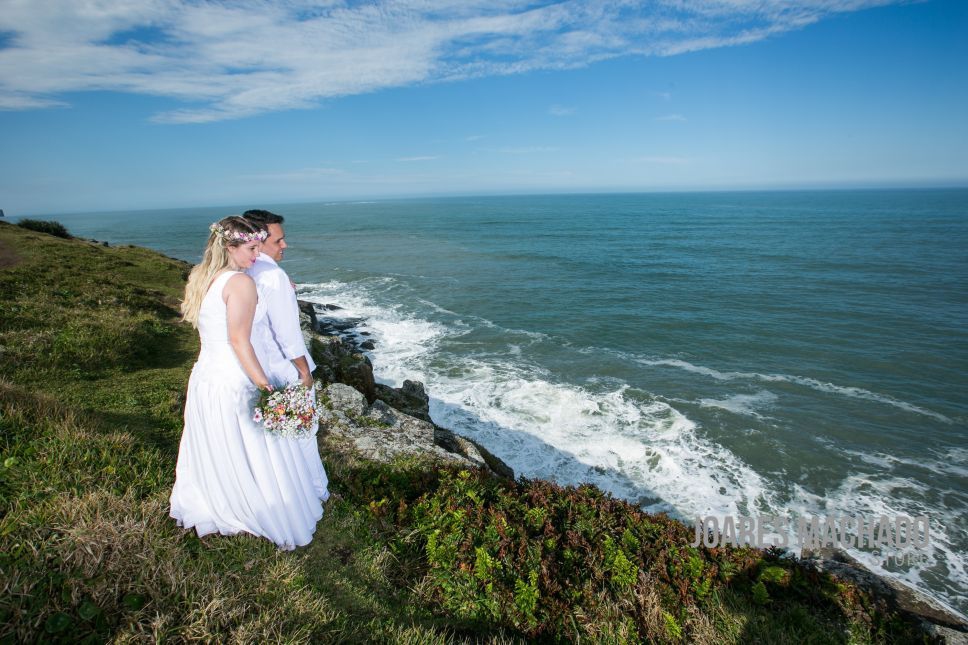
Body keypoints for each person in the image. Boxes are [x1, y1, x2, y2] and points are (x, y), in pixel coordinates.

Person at [170, 215, 326, 550]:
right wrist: (265, 385)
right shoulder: (241, 283)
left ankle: (221, 500)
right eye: (253, 248)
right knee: (255, 448)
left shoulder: (203, 277)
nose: (258, 256)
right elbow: (241, 341)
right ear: (230, 246)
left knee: (220, 444)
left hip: (206, 376)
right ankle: (259, 510)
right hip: (235, 378)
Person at [241, 209, 329, 503]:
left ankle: (289, 490)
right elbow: (288, 334)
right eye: (278, 240)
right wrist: (305, 372)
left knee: (277, 435)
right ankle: (315, 493)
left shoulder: (243, 271)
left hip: (262, 367)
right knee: (303, 432)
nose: (284, 246)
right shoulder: (272, 276)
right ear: (259, 241)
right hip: (285, 367)